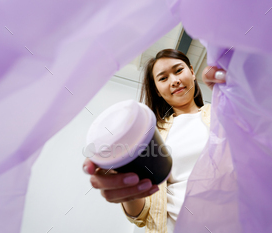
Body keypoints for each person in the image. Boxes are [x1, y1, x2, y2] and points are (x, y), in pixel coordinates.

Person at [83, 49, 226, 233]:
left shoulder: (223, 114)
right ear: (157, 90)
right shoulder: (151, 136)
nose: (174, 81)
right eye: (163, 78)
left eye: (178, 70)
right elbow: (141, 215)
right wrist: (129, 186)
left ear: (191, 71)